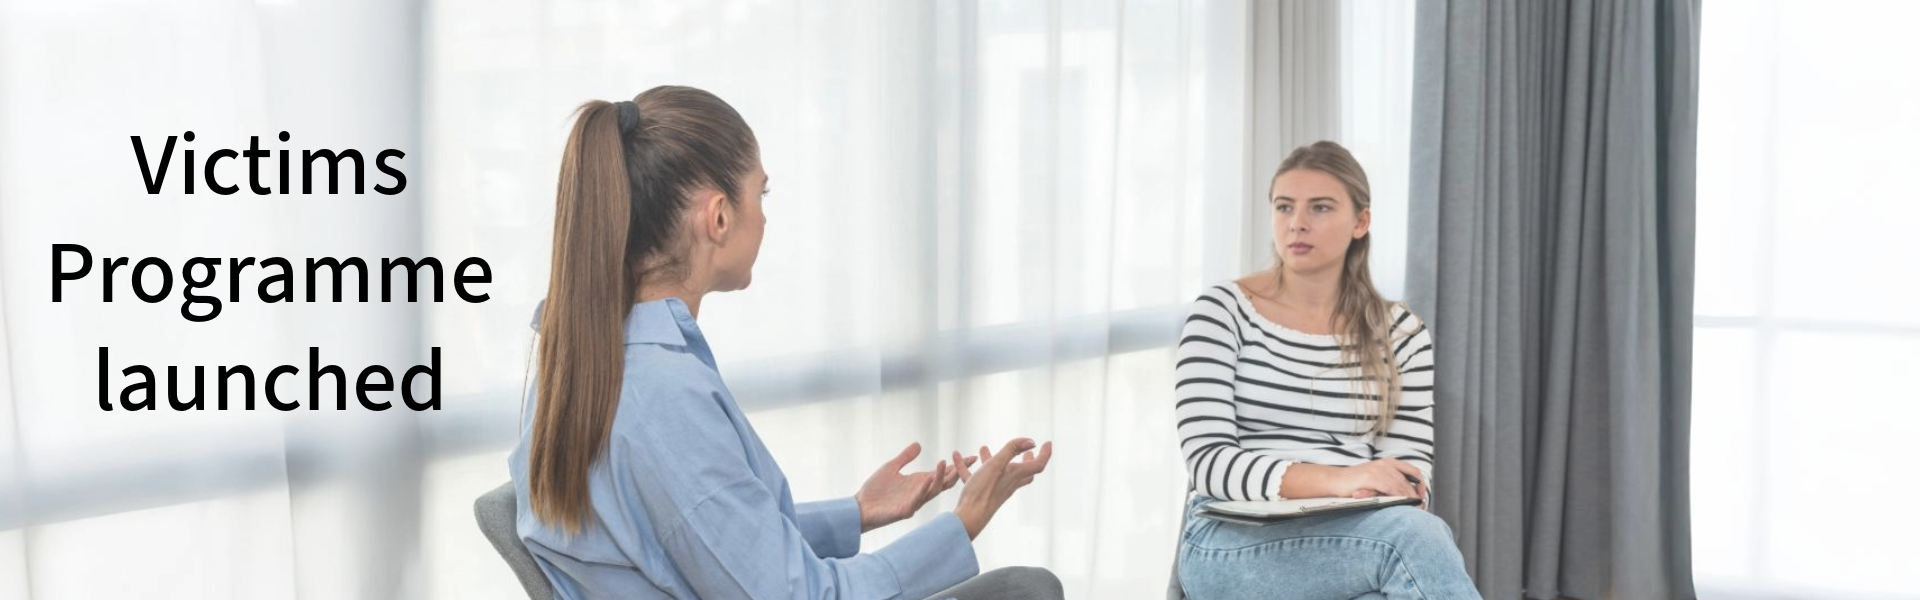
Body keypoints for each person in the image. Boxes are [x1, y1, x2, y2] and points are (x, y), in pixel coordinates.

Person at [507, 85, 1059, 600]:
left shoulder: (586, 354)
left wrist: (857, 512)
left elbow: (696, 536)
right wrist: (963, 521)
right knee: (1027, 588)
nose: (765, 216)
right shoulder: (659, 397)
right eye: (760, 193)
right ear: (719, 217)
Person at [1172, 141, 1481, 600]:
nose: (1297, 222)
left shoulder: (1402, 333)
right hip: (1229, 541)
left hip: (1359, 532)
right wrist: (1343, 477)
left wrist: (1372, 489)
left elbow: (1410, 476)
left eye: (1320, 207)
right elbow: (1209, 463)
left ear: (1361, 221)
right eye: (1284, 207)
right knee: (1416, 539)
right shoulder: (1222, 312)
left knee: (1401, 561)